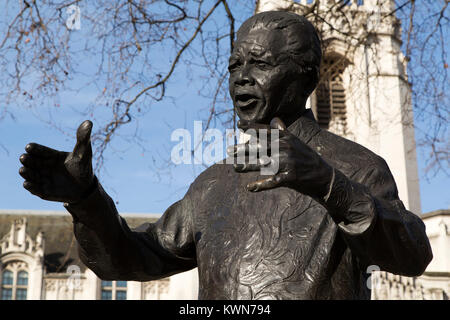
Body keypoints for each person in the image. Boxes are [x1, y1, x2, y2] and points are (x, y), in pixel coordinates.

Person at [19, 11, 432, 299]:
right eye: (234, 65)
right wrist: (86, 198)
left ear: (305, 74)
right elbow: (132, 257)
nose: (241, 79)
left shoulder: (356, 167)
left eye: (259, 63)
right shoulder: (215, 182)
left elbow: (412, 254)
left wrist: (329, 185)